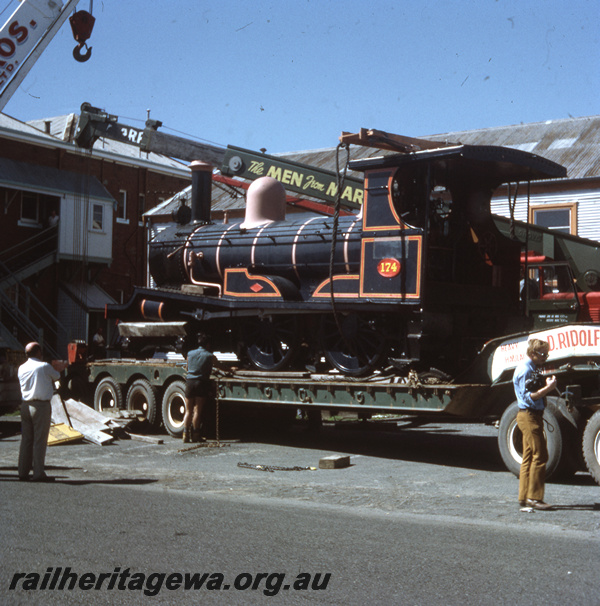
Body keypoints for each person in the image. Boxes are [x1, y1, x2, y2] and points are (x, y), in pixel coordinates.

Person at [512, 338, 557, 510]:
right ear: (532, 354)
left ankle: (524, 497)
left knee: (529, 457)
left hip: (531, 416)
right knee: (541, 455)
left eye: (546, 353)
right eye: (543, 354)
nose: (546, 356)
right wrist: (549, 388)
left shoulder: (531, 368)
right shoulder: (525, 370)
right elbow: (528, 398)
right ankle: (534, 498)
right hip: (529, 416)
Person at [17, 342, 64, 482]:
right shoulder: (44, 366)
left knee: (26, 440)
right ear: (38, 352)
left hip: (25, 405)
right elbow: (57, 376)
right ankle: (38, 473)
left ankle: (22, 472)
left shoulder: (21, 368)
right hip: (40, 406)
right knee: (39, 440)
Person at [183, 333, 216, 443]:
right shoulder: (209, 355)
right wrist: (231, 370)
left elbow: (187, 368)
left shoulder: (190, 353)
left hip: (189, 382)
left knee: (188, 411)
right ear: (207, 345)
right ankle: (196, 435)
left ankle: (185, 435)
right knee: (197, 411)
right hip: (201, 383)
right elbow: (220, 365)